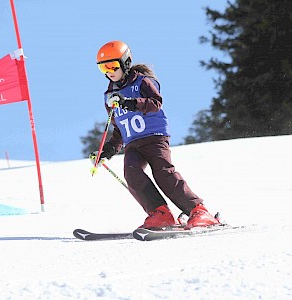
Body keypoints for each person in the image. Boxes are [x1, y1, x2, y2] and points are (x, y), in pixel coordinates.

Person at [92, 40, 220, 229]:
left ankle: (199, 210)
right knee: (132, 173)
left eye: (112, 65)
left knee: (163, 173)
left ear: (125, 62)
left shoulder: (142, 82)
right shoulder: (109, 95)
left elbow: (155, 103)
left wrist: (129, 103)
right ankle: (161, 213)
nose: (109, 71)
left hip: (154, 137)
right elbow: (118, 126)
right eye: (103, 68)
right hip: (132, 144)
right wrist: (108, 150)